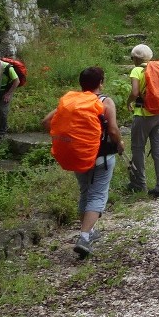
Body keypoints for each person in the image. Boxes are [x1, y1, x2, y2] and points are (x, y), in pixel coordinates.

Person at [43, 66, 124, 259]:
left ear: (82, 83)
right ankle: (85, 236)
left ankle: (88, 231)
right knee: (97, 195)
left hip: (77, 155)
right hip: (101, 158)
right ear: (101, 83)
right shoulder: (105, 102)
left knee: (85, 193)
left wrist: (69, 137)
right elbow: (112, 130)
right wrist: (119, 143)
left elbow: (46, 121)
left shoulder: (71, 102)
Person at [125, 43, 159, 198]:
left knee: (138, 148)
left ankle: (139, 184)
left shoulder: (137, 70)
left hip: (144, 114)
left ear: (136, 58)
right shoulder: (158, 69)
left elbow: (135, 92)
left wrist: (128, 101)